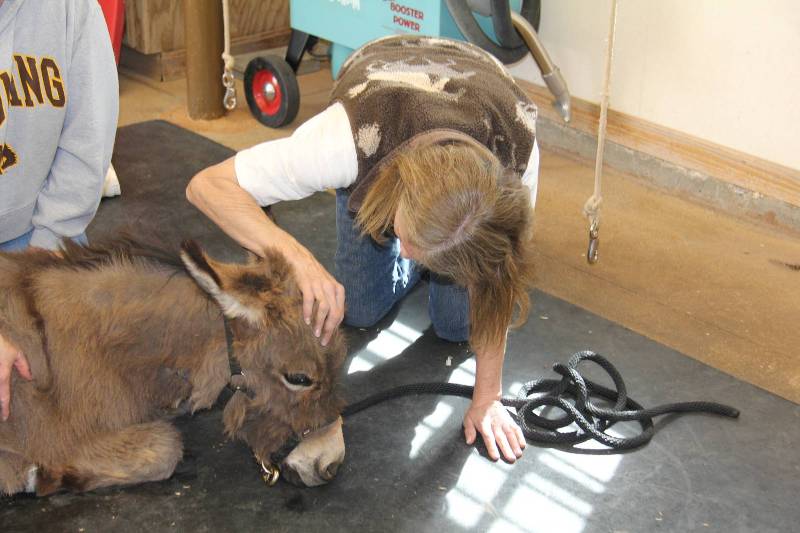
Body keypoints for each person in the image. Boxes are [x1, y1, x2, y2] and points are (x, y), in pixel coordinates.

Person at [190, 35, 539, 462]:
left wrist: (488, 397)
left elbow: (499, 283)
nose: (406, 252)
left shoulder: (515, 158)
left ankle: (436, 265)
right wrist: (297, 258)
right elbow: (207, 186)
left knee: (458, 326)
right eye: (408, 240)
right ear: (400, 193)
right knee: (360, 308)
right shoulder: (346, 139)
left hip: (483, 89)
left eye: (424, 254)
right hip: (382, 85)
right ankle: (400, 235)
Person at [0, 0, 119, 420]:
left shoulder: (70, 7)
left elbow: (88, 137)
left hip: (34, 232)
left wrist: (47, 247)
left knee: (78, 389)